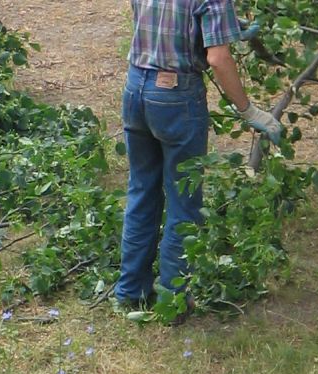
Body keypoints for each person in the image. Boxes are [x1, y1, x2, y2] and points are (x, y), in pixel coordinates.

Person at [115, 0, 282, 320]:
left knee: (141, 191)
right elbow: (218, 59)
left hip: (136, 88)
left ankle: (130, 291)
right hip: (176, 97)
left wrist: (224, 27)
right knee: (184, 201)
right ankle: (173, 300)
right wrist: (249, 110)